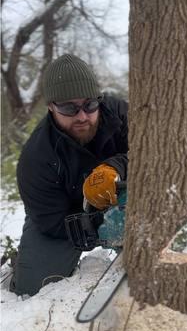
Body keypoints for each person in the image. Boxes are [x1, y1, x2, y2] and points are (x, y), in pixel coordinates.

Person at [10, 54, 128, 296]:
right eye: (69, 108)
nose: (82, 116)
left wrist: (115, 167)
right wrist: (100, 225)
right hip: (65, 218)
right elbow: (49, 220)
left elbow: (157, 152)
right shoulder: (36, 157)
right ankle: (20, 266)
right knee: (35, 289)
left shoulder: (120, 114)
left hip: (122, 198)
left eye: (90, 105)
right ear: (52, 107)